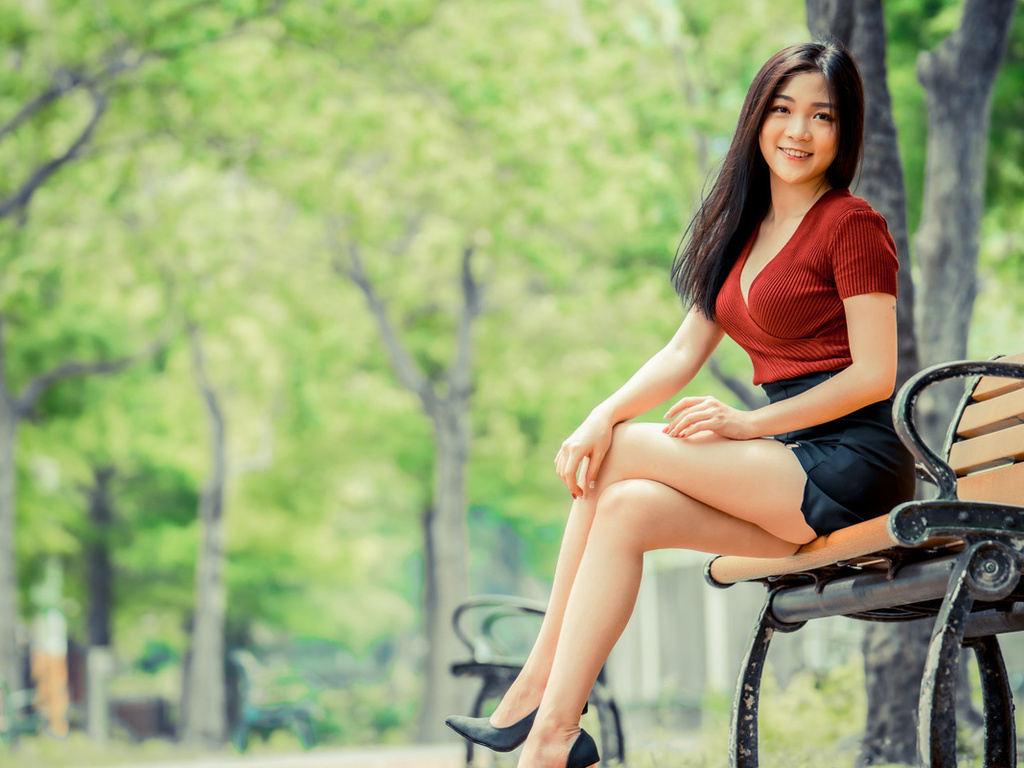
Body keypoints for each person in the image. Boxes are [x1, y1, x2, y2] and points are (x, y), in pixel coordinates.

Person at [445, 39, 916, 768]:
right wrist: (597, 413)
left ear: (843, 131)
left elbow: (874, 376)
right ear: (757, 117)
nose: (798, 132)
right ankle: (552, 738)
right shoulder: (741, 232)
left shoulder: (851, 225)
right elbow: (680, 354)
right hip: (785, 471)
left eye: (821, 116)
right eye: (783, 110)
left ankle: (532, 686)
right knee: (626, 505)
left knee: (626, 449)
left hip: (847, 463)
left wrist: (746, 423)